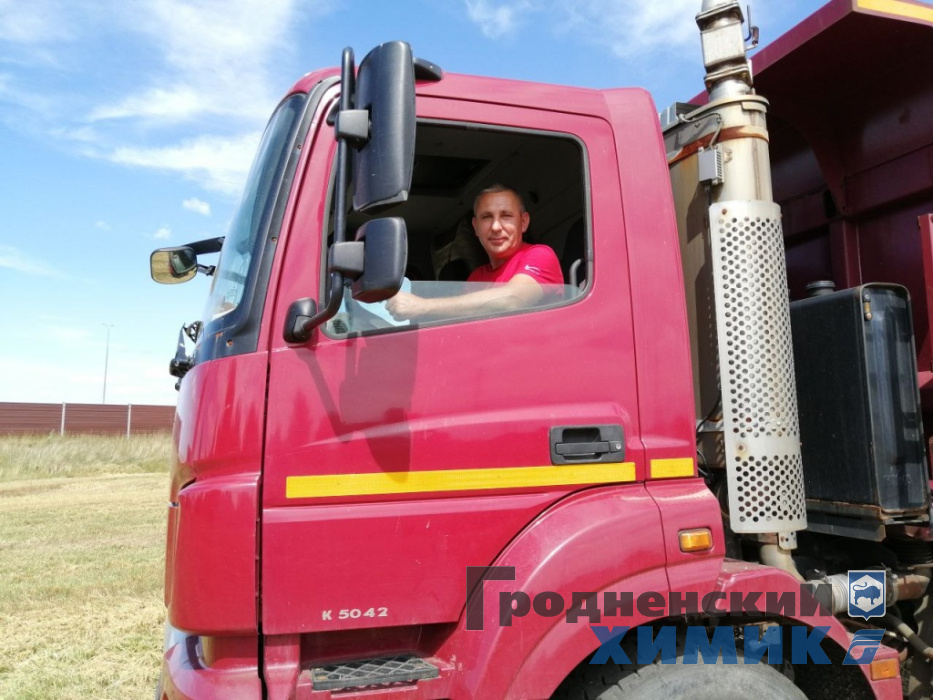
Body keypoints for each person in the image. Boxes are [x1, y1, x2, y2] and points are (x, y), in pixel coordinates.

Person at [386, 185, 562, 321]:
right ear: (476, 227)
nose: (495, 227)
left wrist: (422, 306)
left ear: (523, 223)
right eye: (486, 217)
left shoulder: (540, 255)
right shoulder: (477, 276)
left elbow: (513, 299)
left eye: (506, 216)